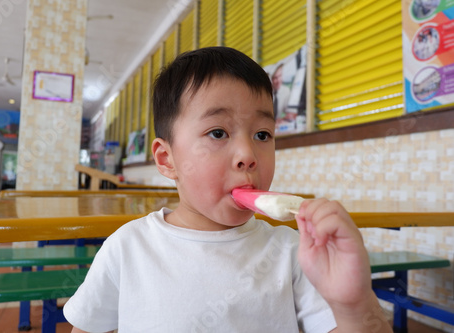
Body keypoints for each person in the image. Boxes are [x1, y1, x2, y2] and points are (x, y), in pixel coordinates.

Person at [64, 47, 392, 333]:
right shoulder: (128, 248)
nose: (248, 156)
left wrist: (355, 304)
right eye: (218, 132)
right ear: (167, 160)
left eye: (262, 135)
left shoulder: (294, 252)